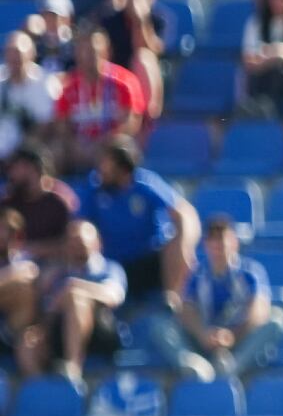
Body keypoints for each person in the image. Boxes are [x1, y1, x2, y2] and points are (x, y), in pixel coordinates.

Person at [151, 214, 283, 380]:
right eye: (213, 242)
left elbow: (259, 312)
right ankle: (192, 363)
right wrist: (203, 334)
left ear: (234, 243)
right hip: (204, 342)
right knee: (159, 325)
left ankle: (234, 367)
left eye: (222, 240)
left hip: (239, 341)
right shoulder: (198, 275)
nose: (218, 247)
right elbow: (187, 310)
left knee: (278, 320)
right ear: (206, 245)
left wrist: (232, 335)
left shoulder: (250, 273)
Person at [75, 135, 199, 305]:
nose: (100, 169)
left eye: (106, 163)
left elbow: (185, 213)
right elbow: (79, 225)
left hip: (149, 261)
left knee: (175, 241)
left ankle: (173, 301)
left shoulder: (145, 184)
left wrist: (185, 245)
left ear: (122, 166)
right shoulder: (94, 188)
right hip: (113, 265)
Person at [16, 218, 126, 383]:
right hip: (61, 330)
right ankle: (40, 391)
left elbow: (114, 296)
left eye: (80, 241)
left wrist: (75, 288)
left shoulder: (109, 268)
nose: (75, 246)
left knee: (76, 298)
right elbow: (49, 309)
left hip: (100, 333)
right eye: (71, 241)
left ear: (96, 243)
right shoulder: (58, 274)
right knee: (28, 341)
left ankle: (73, 367)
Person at [50, 24, 145, 173]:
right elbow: (61, 126)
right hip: (78, 147)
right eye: (82, 50)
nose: (87, 56)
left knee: (122, 146)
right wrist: (75, 144)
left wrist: (102, 144)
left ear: (106, 51)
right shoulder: (68, 87)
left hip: (110, 146)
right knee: (54, 151)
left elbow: (130, 124)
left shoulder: (123, 83)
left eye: (93, 51)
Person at [98, 0, 166, 118]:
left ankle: (144, 119)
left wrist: (140, 21)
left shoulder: (158, 20)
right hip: (116, 76)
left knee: (142, 58)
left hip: (146, 78)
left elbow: (153, 50)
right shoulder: (110, 20)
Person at [0, 144, 76, 262]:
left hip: (51, 268)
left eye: (15, 168)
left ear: (31, 168)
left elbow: (67, 244)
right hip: (11, 265)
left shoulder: (57, 203)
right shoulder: (9, 203)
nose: (11, 174)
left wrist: (31, 249)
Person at [0, 31, 61, 159]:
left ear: (31, 55)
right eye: (10, 54)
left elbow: (46, 125)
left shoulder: (44, 82)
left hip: (31, 151)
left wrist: (20, 151)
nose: (14, 59)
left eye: (18, 54)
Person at [0, 209, 40, 357]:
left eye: (8, 230)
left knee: (24, 288)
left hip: (12, 331)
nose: (3, 235)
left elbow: (29, 272)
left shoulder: (25, 259)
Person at [32, 0, 75, 73]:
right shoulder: (34, 48)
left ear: (67, 19)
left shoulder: (76, 48)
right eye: (45, 16)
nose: (49, 21)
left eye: (54, 17)